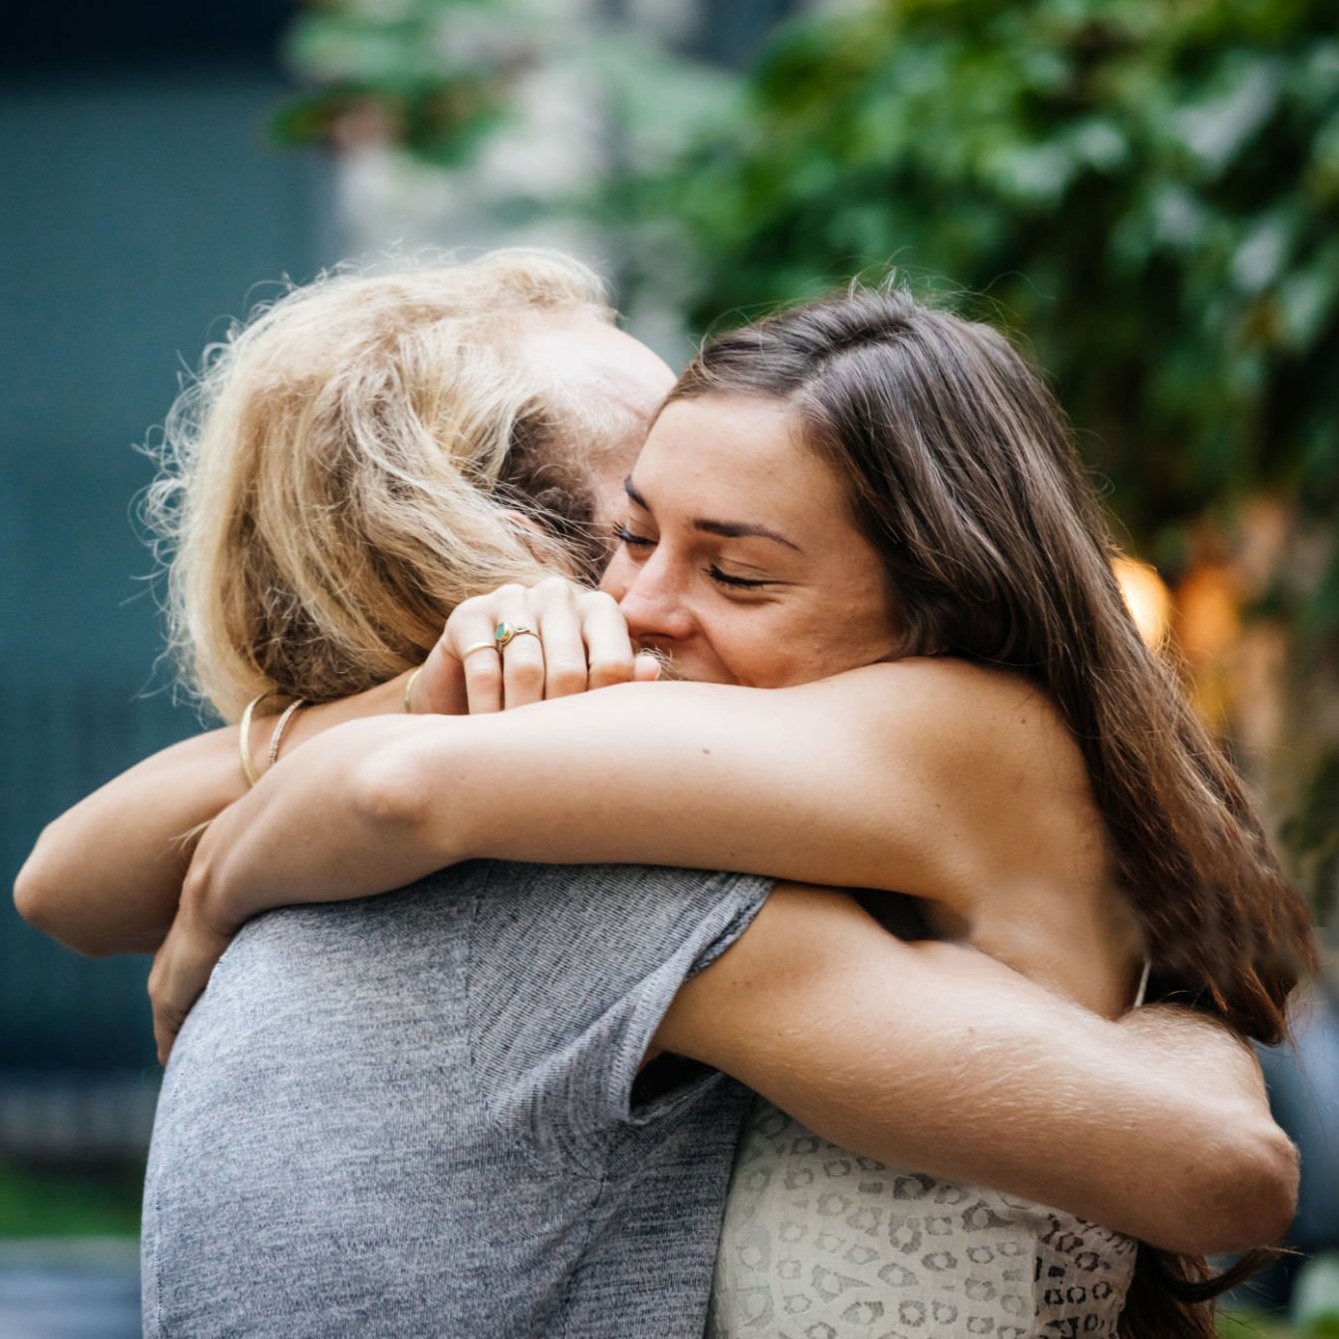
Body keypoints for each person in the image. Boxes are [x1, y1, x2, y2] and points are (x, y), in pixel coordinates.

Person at [17, 263, 1303, 1336]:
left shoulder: (910, 742)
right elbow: (71, 874)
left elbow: (385, 789)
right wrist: (435, 687)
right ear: (497, 548)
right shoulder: (611, 849)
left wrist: (215, 896)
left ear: (937, 595)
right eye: (630, 529)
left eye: (734, 564)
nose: (638, 607)